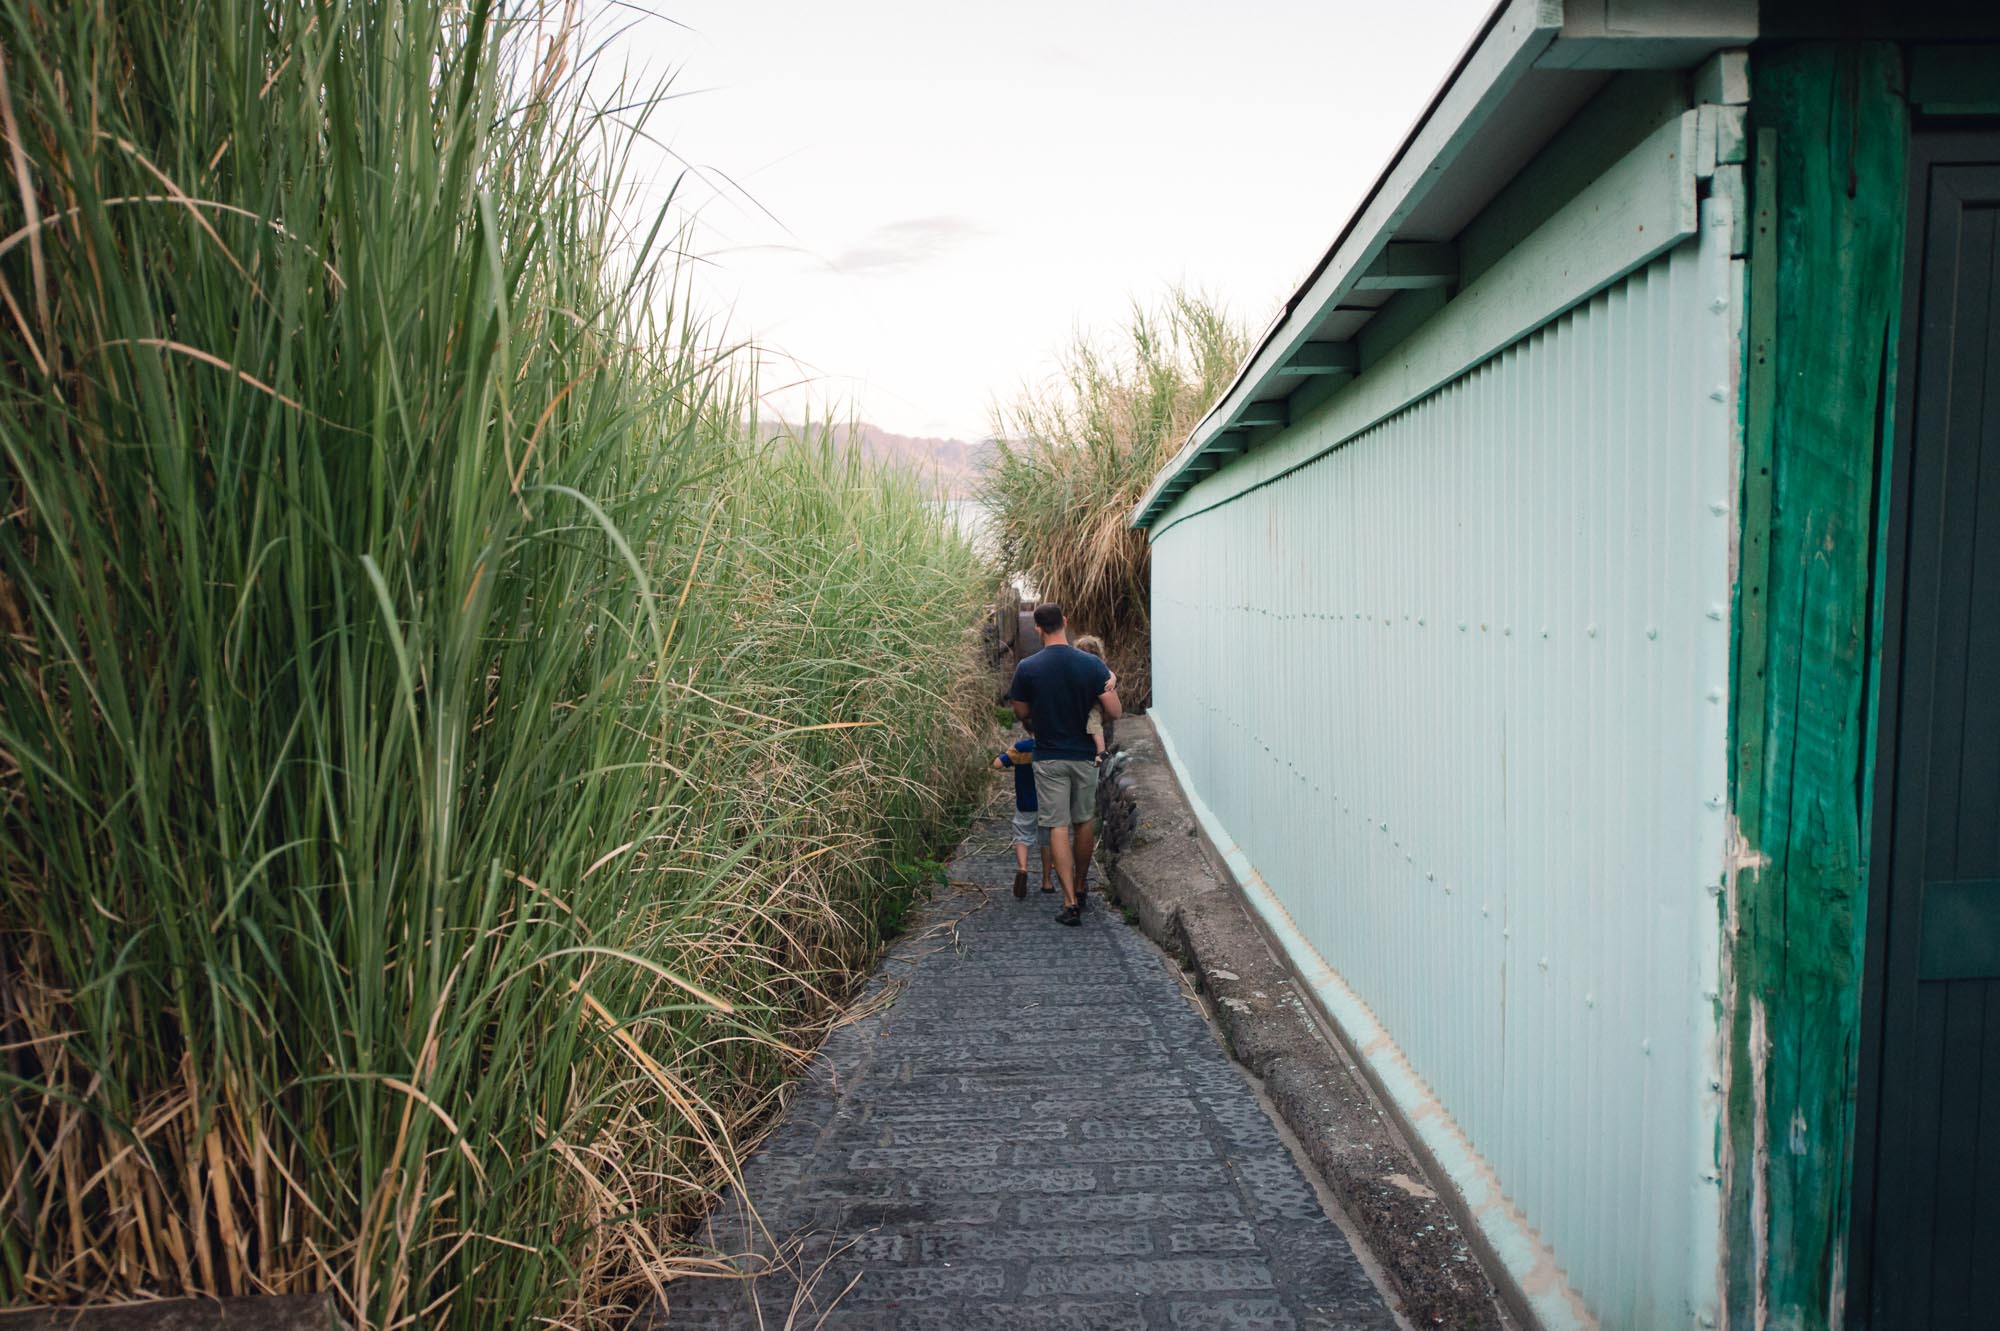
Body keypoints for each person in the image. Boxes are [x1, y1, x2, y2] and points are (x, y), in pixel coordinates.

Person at [1007, 603, 1121, 926]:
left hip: (1049, 756)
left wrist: (1036, 725)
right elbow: (1115, 711)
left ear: (1038, 630)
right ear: (1066, 624)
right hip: (1084, 756)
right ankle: (1083, 885)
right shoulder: (1091, 665)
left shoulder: (1028, 668)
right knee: (1083, 821)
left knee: (1056, 825)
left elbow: (1020, 711)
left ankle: (1069, 901)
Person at [994, 732, 1051, 899]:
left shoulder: (1021, 748)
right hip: (1048, 803)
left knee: (1022, 836)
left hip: (1026, 803)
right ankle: (1047, 881)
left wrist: (1007, 754)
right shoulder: (1051, 746)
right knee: (1046, 842)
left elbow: (997, 764)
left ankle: (1023, 868)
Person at [1072, 634, 1112, 762]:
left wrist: (1112, 680)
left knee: (1093, 722)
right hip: (1083, 704)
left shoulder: (1099, 667)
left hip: (1095, 704)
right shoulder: (1076, 667)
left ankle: (1101, 751)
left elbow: (1110, 674)